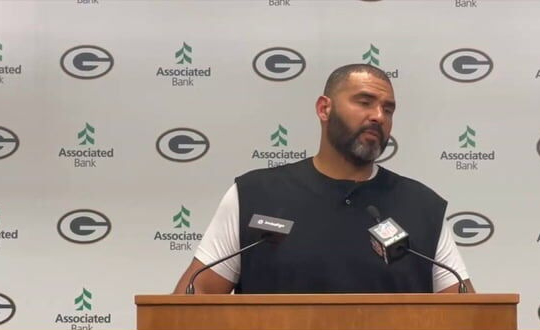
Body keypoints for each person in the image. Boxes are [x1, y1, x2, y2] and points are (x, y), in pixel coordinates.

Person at [173, 64, 474, 294]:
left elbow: (469, 319)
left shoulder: (422, 206)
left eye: (388, 109)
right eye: (365, 102)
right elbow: (195, 296)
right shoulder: (255, 194)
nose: (379, 116)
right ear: (324, 108)